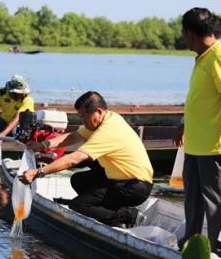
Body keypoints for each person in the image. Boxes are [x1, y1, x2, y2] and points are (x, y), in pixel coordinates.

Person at [19, 91, 153, 227]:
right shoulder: (108, 118)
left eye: (84, 117)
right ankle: (106, 209)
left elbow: (74, 158)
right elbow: (74, 136)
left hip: (134, 188)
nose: (82, 121)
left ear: (98, 112)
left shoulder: (108, 130)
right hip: (119, 178)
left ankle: (129, 216)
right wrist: (43, 145)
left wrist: (38, 172)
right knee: (78, 181)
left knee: (79, 205)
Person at [173, 7, 221, 253]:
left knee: (214, 202)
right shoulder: (203, 57)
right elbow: (200, 98)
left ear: (190, 33)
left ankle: (214, 249)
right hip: (195, 144)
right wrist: (183, 123)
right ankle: (191, 244)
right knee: (192, 199)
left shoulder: (217, 56)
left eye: (183, 33)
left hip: (213, 146)